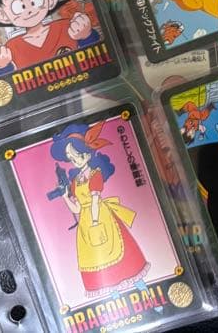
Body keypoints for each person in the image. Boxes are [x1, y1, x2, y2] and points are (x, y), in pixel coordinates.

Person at [50, 122, 149, 295]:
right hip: (85, 222)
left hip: (100, 216)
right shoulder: (75, 181)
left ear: (88, 154)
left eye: (77, 156)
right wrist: (65, 197)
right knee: (98, 260)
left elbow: (95, 200)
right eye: (71, 158)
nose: (74, 161)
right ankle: (114, 297)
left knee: (116, 250)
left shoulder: (95, 175)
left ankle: (144, 291)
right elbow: (76, 208)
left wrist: (95, 222)